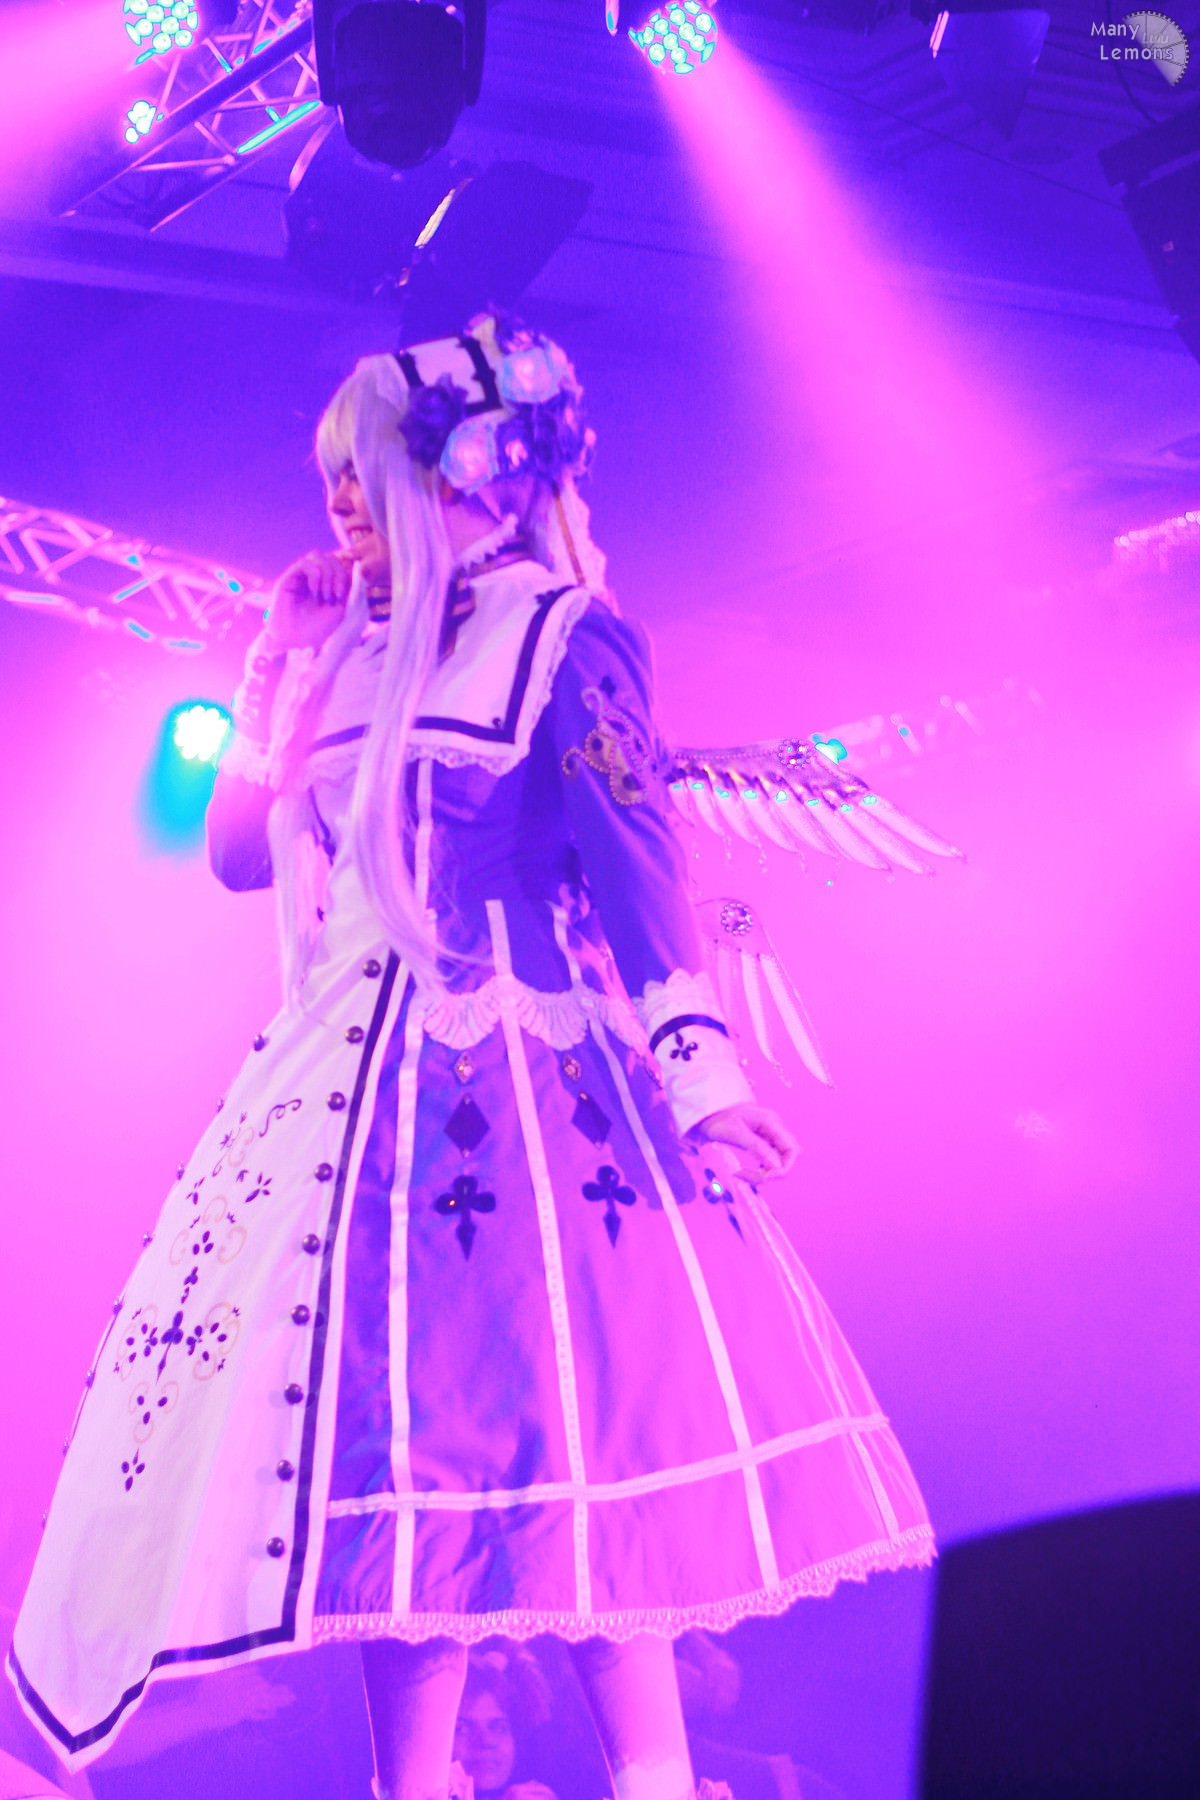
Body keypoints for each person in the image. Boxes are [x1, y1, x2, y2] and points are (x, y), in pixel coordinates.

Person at [6, 316, 933, 1800]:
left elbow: (635, 850)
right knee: (401, 1483)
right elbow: (239, 853)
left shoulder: (559, 631)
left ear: (471, 481)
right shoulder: (349, 651)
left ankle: (653, 1782)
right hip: (349, 1099)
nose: (341, 510)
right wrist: (273, 660)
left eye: (365, 478)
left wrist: (701, 1070)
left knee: (583, 1456)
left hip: (528, 1083)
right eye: (331, 484)